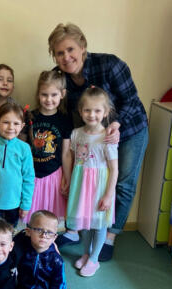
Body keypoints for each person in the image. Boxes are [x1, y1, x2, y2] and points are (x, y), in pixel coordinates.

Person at [48, 23, 148, 261]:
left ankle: (110, 236)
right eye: (59, 53)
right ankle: (77, 229)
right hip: (91, 138)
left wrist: (117, 124)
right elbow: (65, 113)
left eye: (70, 49)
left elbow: (131, 100)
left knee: (122, 183)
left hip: (130, 129)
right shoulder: (59, 78)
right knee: (89, 181)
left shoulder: (110, 65)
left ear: (82, 47)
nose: (66, 57)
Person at [67, 87, 118, 277]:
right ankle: (86, 253)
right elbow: (75, 160)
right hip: (82, 185)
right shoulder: (76, 133)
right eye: (87, 110)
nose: (92, 114)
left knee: (99, 223)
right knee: (85, 221)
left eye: (97, 110)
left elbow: (114, 169)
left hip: (99, 186)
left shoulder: (108, 138)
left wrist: (108, 195)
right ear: (80, 111)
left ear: (105, 112)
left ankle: (95, 259)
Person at [20, 70, 73, 225]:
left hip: (54, 176)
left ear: (62, 94)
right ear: (38, 94)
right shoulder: (29, 117)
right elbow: (21, 148)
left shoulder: (65, 120)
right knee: (30, 219)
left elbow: (66, 154)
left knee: (51, 219)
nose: (49, 99)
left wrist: (67, 179)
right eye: (44, 95)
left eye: (54, 95)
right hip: (31, 176)